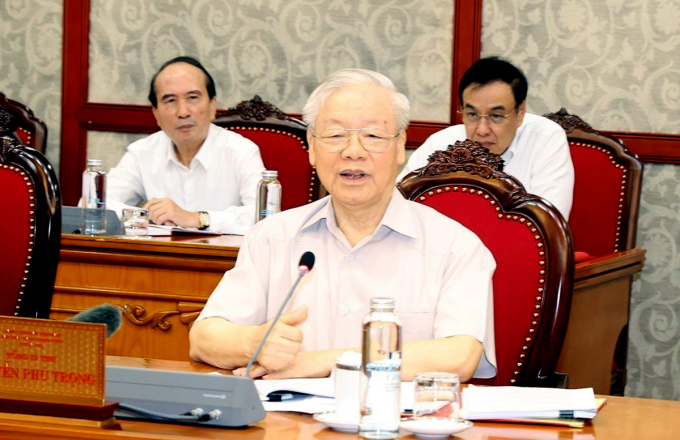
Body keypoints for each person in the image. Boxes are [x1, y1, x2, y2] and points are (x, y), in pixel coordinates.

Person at [190, 68, 497, 382]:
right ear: (311, 145)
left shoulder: (455, 247)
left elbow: (461, 357)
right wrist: (251, 342)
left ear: (400, 145)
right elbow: (203, 338)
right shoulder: (271, 237)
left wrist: (326, 362)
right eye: (335, 136)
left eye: (373, 136)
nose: (353, 151)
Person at [399, 57, 574, 220]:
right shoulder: (441, 144)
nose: (482, 130)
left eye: (496, 116)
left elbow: (547, 222)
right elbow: (398, 203)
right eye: (472, 114)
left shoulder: (544, 138)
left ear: (520, 113)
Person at [106, 56, 265, 235]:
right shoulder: (141, 152)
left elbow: (264, 216)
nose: (182, 112)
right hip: (160, 258)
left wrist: (196, 219)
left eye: (192, 97)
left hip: (225, 259)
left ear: (213, 106)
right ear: (156, 114)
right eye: (170, 100)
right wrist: (142, 216)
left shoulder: (241, 151)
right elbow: (96, 206)